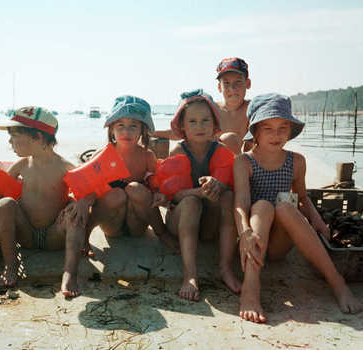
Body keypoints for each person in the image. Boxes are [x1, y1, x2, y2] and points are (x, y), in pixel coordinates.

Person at [233, 93, 363, 323]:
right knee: (262, 205)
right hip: (253, 239)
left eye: (283, 127)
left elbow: (302, 199)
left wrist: (319, 223)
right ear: (255, 131)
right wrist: (244, 232)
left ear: (291, 130)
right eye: (268, 128)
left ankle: (336, 281)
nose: (276, 135)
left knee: (285, 206)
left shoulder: (297, 161)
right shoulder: (244, 162)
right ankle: (250, 288)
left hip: (278, 245)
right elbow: (241, 203)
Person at [0, 106, 92, 297]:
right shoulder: (21, 165)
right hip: (26, 233)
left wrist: (81, 203)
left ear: (38, 137)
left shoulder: (65, 167)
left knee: (75, 215)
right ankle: (11, 264)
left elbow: (89, 190)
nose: (9, 141)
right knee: (4, 205)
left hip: (55, 235)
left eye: (14, 135)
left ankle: (70, 272)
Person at [79, 94, 180, 254]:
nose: (126, 131)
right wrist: (84, 202)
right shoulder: (102, 155)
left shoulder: (147, 156)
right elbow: (88, 189)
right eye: (120, 125)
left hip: (137, 224)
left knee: (135, 188)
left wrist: (161, 194)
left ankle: (162, 233)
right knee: (116, 194)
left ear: (143, 130)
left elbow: (158, 185)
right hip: (112, 224)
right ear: (111, 129)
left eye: (133, 126)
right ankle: (85, 235)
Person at [165, 89, 239, 301]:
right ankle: (190, 275)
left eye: (206, 120)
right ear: (182, 126)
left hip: (208, 225)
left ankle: (225, 268)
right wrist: (199, 192)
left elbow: (230, 185)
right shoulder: (178, 151)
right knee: (190, 202)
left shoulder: (221, 150)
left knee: (227, 196)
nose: (200, 126)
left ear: (215, 123)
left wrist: (220, 185)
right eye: (193, 121)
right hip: (181, 220)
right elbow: (175, 196)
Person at [151, 57, 251, 154]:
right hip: (208, 160)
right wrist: (152, 132)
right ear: (219, 87)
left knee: (229, 139)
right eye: (226, 83)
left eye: (238, 82)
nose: (232, 88)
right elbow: (184, 130)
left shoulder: (251, 109)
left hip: (233, 163)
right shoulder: (211, 109)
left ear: (248, 83)